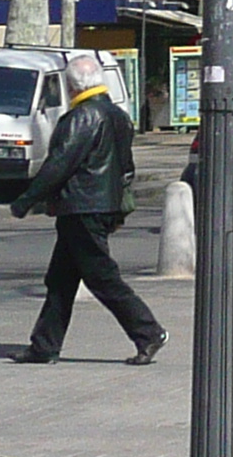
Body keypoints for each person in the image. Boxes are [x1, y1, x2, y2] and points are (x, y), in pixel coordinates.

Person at [10, 50, 165, 367]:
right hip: (96, 207)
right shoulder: (119, 116)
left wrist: (27, 199)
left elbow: (59, 165)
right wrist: (118, 210)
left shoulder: (81, 118)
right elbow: (127, 168)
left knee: (102, 278)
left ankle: (148, 332)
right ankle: (44, 345)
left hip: (81, 207)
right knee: (60, 280)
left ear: (73, 86)